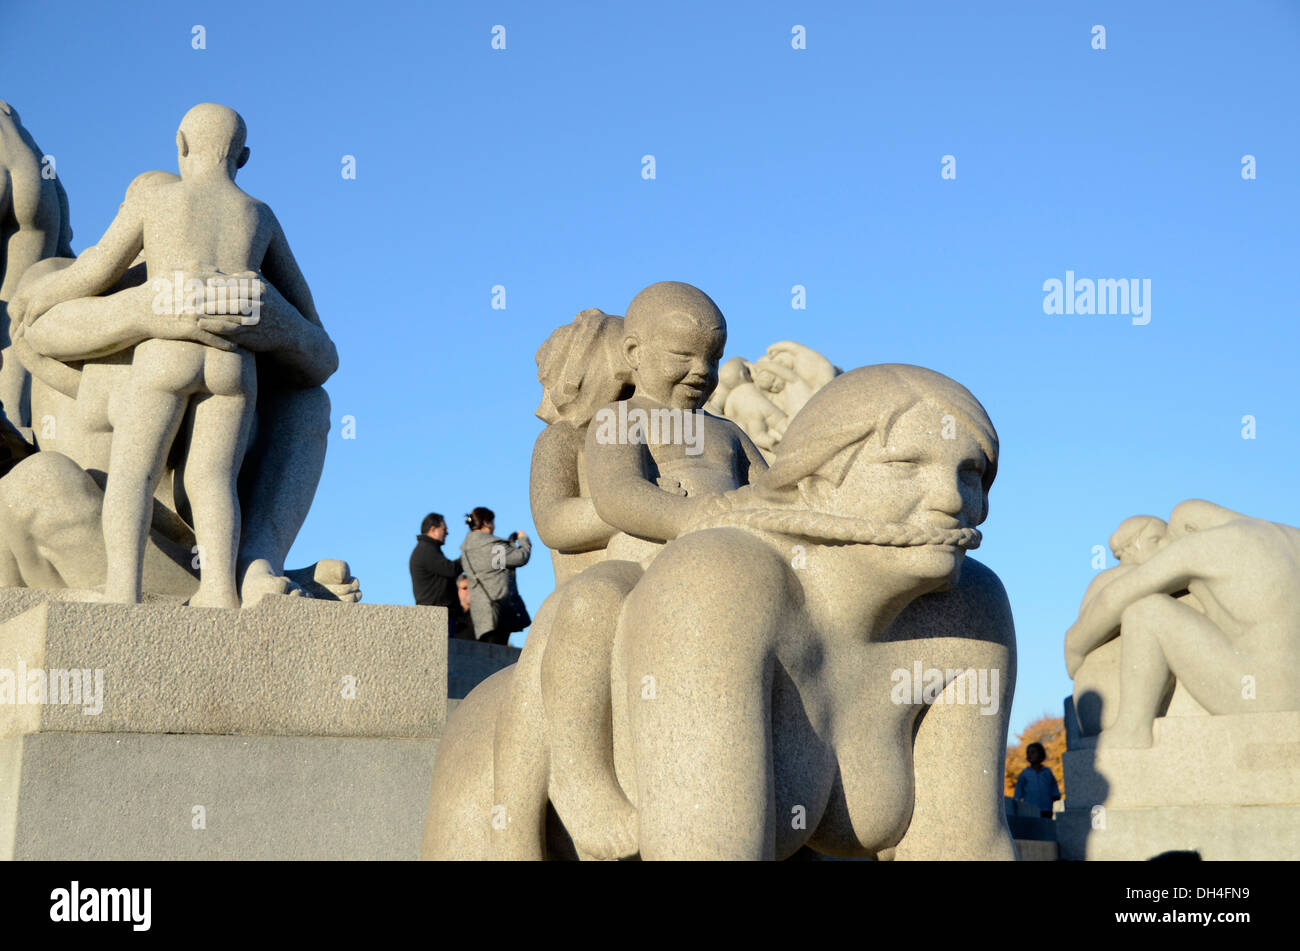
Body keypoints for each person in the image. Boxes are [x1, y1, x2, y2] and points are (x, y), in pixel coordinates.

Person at [460, 506, 531, 645]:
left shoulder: (466, 550)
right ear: (486, 523)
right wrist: (524, 541)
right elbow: (521, 557)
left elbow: (496, 565)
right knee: (498, 657)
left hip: (481, 614)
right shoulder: (491, 546)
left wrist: (509, 545)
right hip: (498, 611)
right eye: (492, 522)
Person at [409, 512, 462, 635]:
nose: (447, 533)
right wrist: (467, 557)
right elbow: (450, 569)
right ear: (433, 529)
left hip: (438, 614)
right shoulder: (426, 550)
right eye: (444, 529)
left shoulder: (428, 549)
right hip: (435, 616)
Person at [1014, 743, 1062, 818]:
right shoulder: (1025, 773)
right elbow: (1019, 789)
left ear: (1040, 754)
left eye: (1033, 752)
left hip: (1046, 808)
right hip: (1030, 808)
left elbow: (1053, 785)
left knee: (1045, 826)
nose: (1029, 755)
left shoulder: (1047, 772)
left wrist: (1056, 795)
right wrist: (1016, 800)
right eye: (1028, 752)